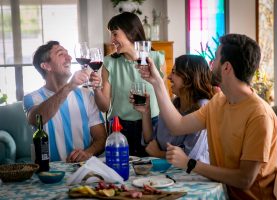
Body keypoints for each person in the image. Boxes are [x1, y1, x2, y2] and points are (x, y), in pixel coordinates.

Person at [139, 34, 277, 199]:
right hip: (220, 192)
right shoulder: (218, 102)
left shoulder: (259, 115)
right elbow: (177, 125)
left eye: (215, 59)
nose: (210, 65)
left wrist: (190, 164)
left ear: (226, 67)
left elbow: (244, 180)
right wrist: (157, 82)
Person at [90, 12, 165, 157]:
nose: (111, 39)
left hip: (152, 124)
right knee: (121, 173)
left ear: (130, 32)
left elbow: (165, 98)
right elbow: (104, 106)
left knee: (152, 174)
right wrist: (97, 89)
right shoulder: (109, 62)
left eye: (115, 34)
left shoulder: (156, 58)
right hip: (120, 127)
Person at [23, 41, 107, 163]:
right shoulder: (32, 98)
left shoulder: (87, 95)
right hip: (49, 173)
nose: (69, 58)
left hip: (82, 169)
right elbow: (37, 119)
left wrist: (87, 153)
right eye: (61, 54)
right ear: (46, 66)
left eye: (68, 53)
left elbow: (101, 138)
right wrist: (69, 86)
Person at [130, 55, 213, 163]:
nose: (169, 77)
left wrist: (158, 154)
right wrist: (146, 112)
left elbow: (190, 157)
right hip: (165, 172)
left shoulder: (204, 107)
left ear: (188, 77)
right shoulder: (173, 103)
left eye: (174, 72)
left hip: (192, 176)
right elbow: (150, 142)